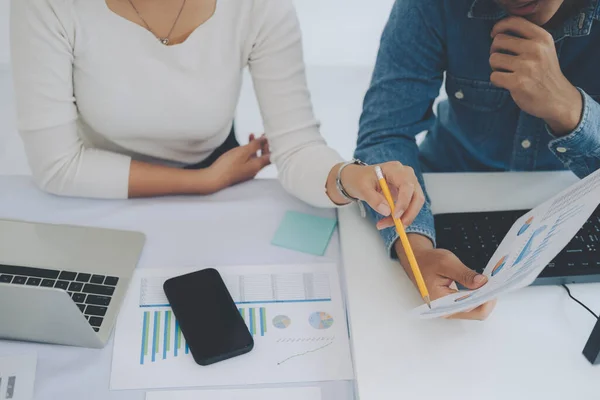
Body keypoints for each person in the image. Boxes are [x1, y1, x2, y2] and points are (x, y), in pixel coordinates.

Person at [10, 0, 422, 217]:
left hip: (215, 183)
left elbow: (296, 147)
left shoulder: (259, 7)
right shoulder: (47, 5)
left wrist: (349, 177)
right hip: (97, 189)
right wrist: (201, 182)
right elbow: (58, 166)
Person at [353, 0, 600, 320]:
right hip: (445, 194)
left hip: (577, 205)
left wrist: (570, 110)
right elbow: (384, 135)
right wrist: (416, 251)